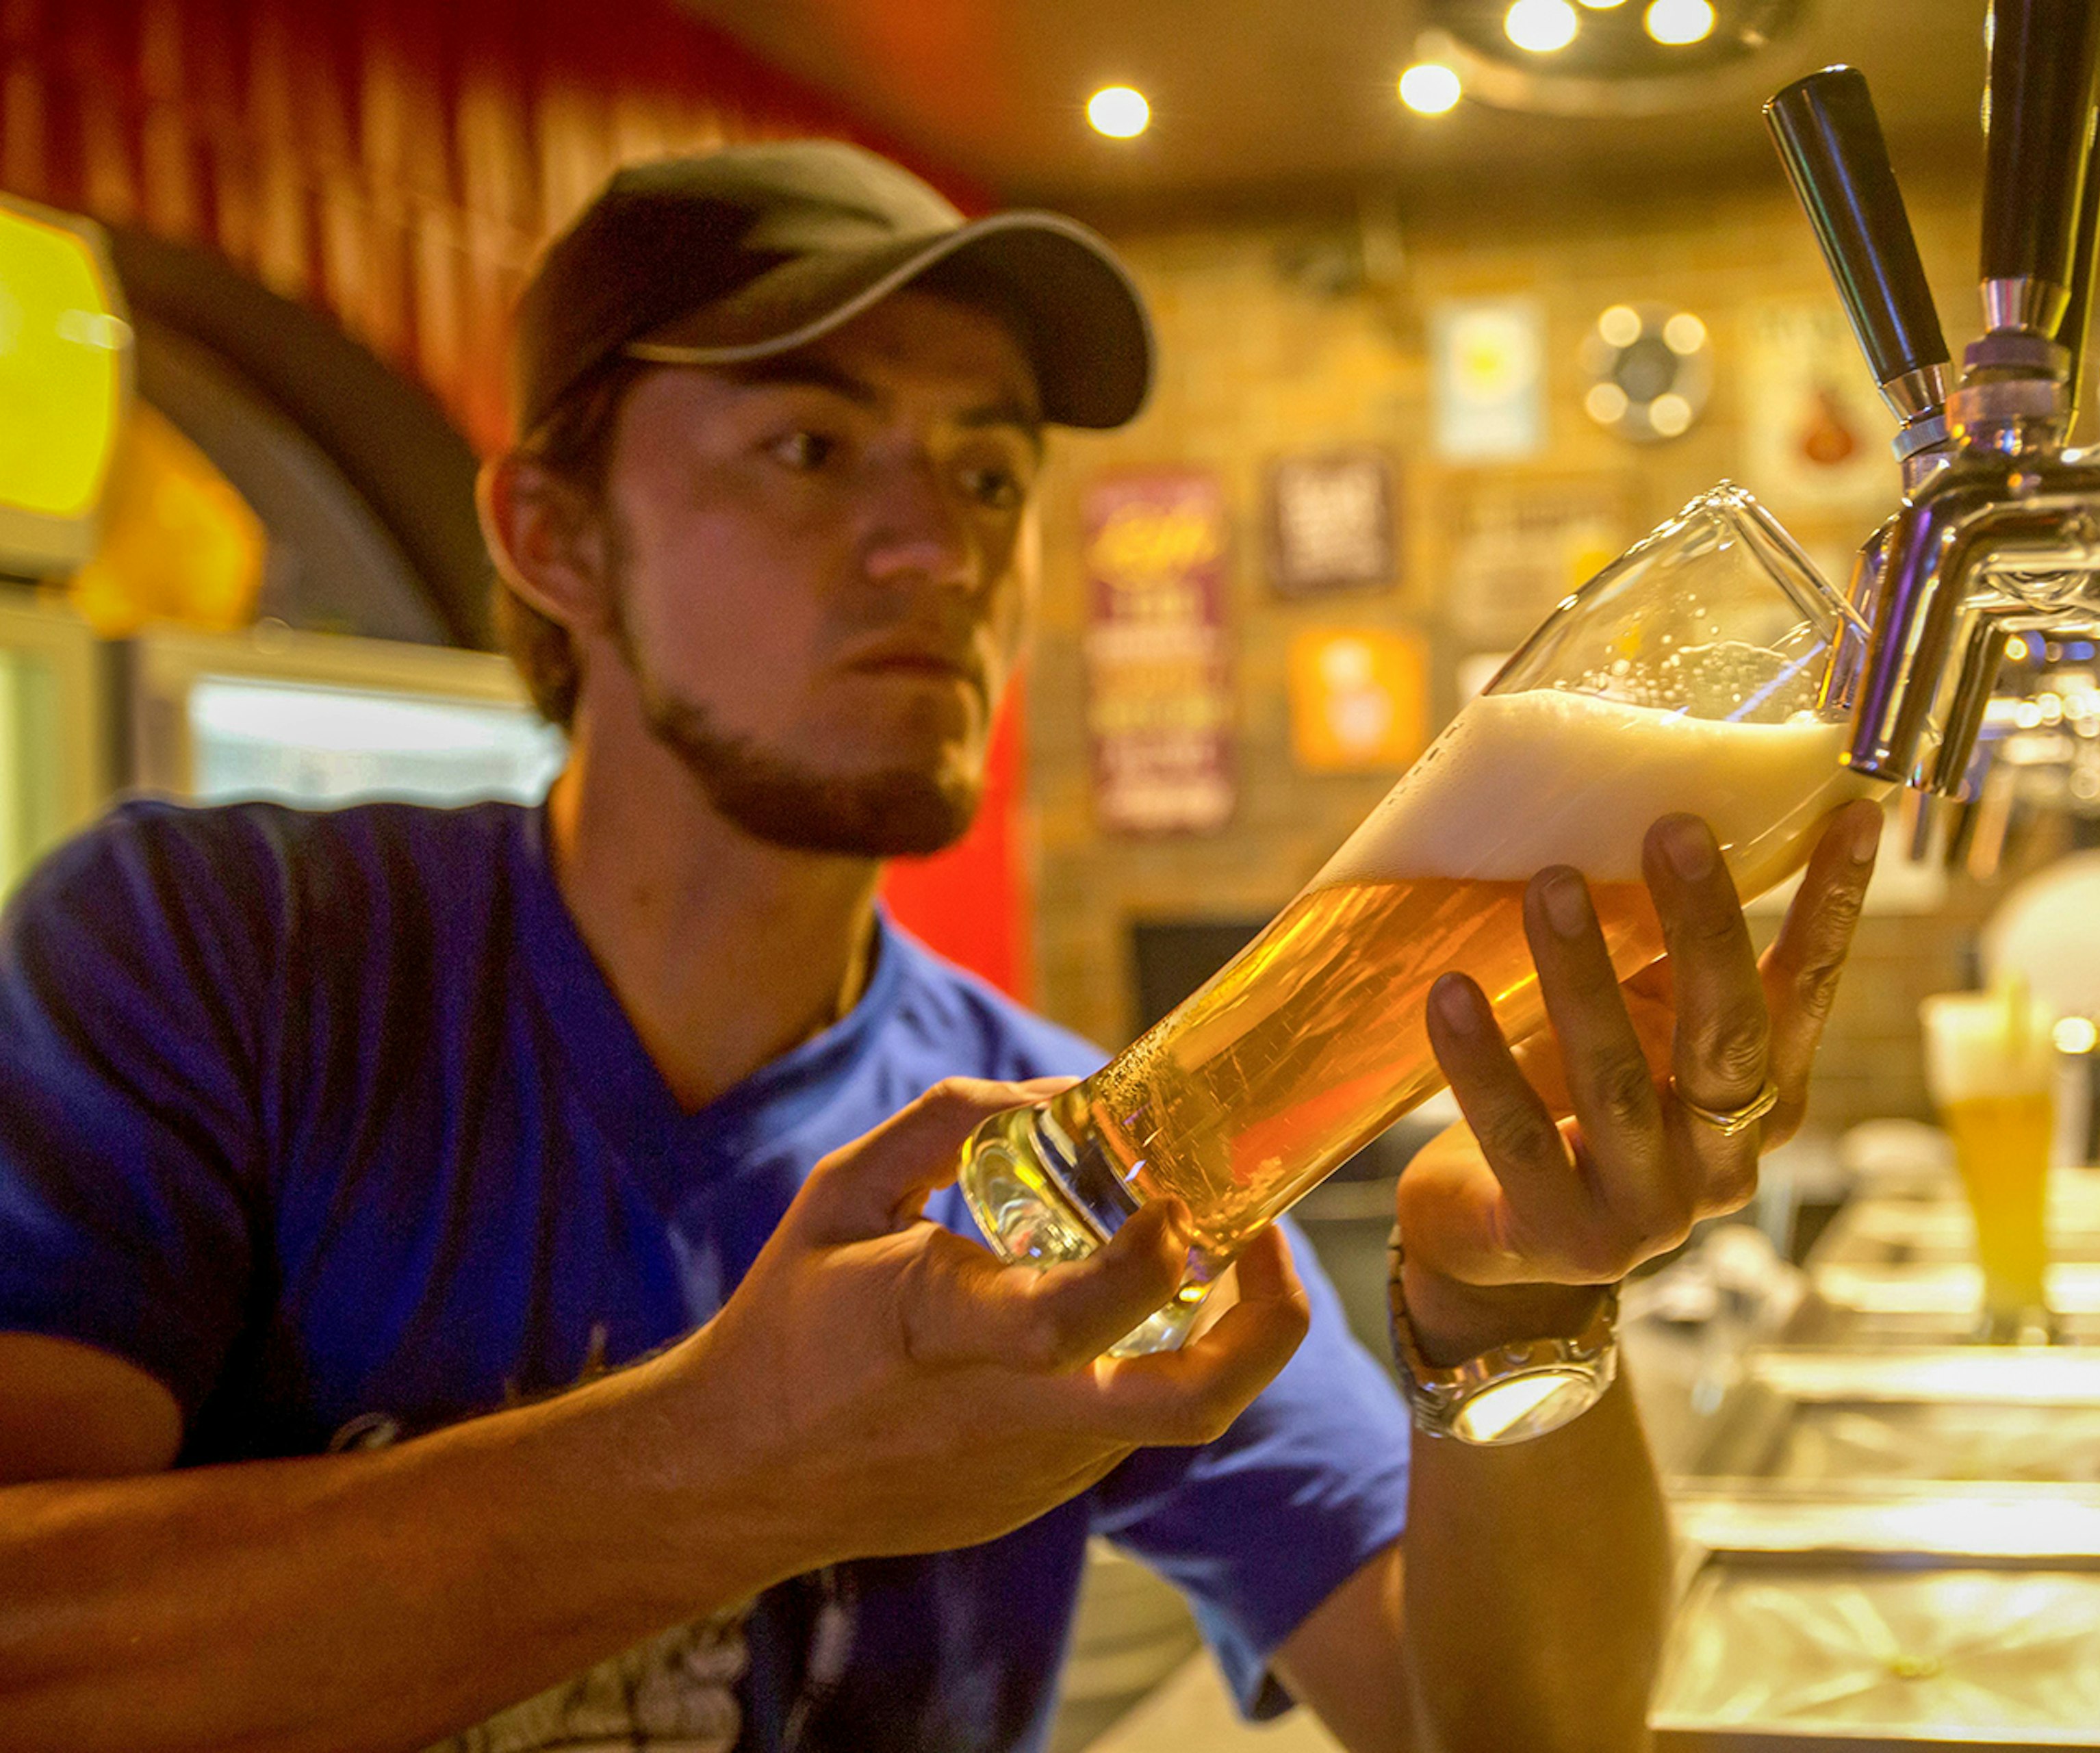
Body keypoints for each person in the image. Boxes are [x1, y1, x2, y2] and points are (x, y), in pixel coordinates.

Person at [0, 142, 1882, 1752]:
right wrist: (750, 1460)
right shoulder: (212, 954)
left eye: (989, 476)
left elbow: (1502, 1724)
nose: (935, 543)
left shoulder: (1088, 1149)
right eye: (811, 444)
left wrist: (1515, 1310)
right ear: (552, 536)